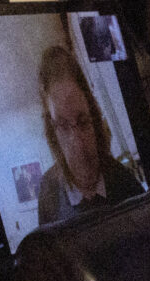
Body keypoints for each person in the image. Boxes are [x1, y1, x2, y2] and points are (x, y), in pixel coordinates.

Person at [35, 44, 142, 225]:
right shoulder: (48, 193)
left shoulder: (124, 181)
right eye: (63, 126)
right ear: (52, 133)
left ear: (94, 118)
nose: (78, 143)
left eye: (83, 122)